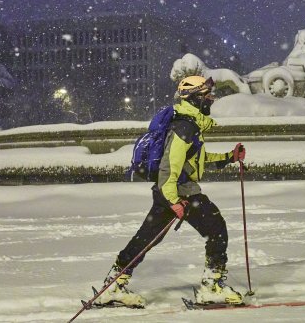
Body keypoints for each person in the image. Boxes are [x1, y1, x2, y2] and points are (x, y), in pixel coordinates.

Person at [95, 75, 246, 308]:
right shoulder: (185, 127)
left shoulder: (188, 124)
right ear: (195, 98)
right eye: (207, 95)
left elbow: (197, 161)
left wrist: (229, 158)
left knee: (145, 239)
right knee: (217, 229)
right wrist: (174, 200)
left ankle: (113, 286)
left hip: (170, 192)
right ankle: (211, 287)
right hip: (181, 193)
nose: (212, 99)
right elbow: (169, 167)